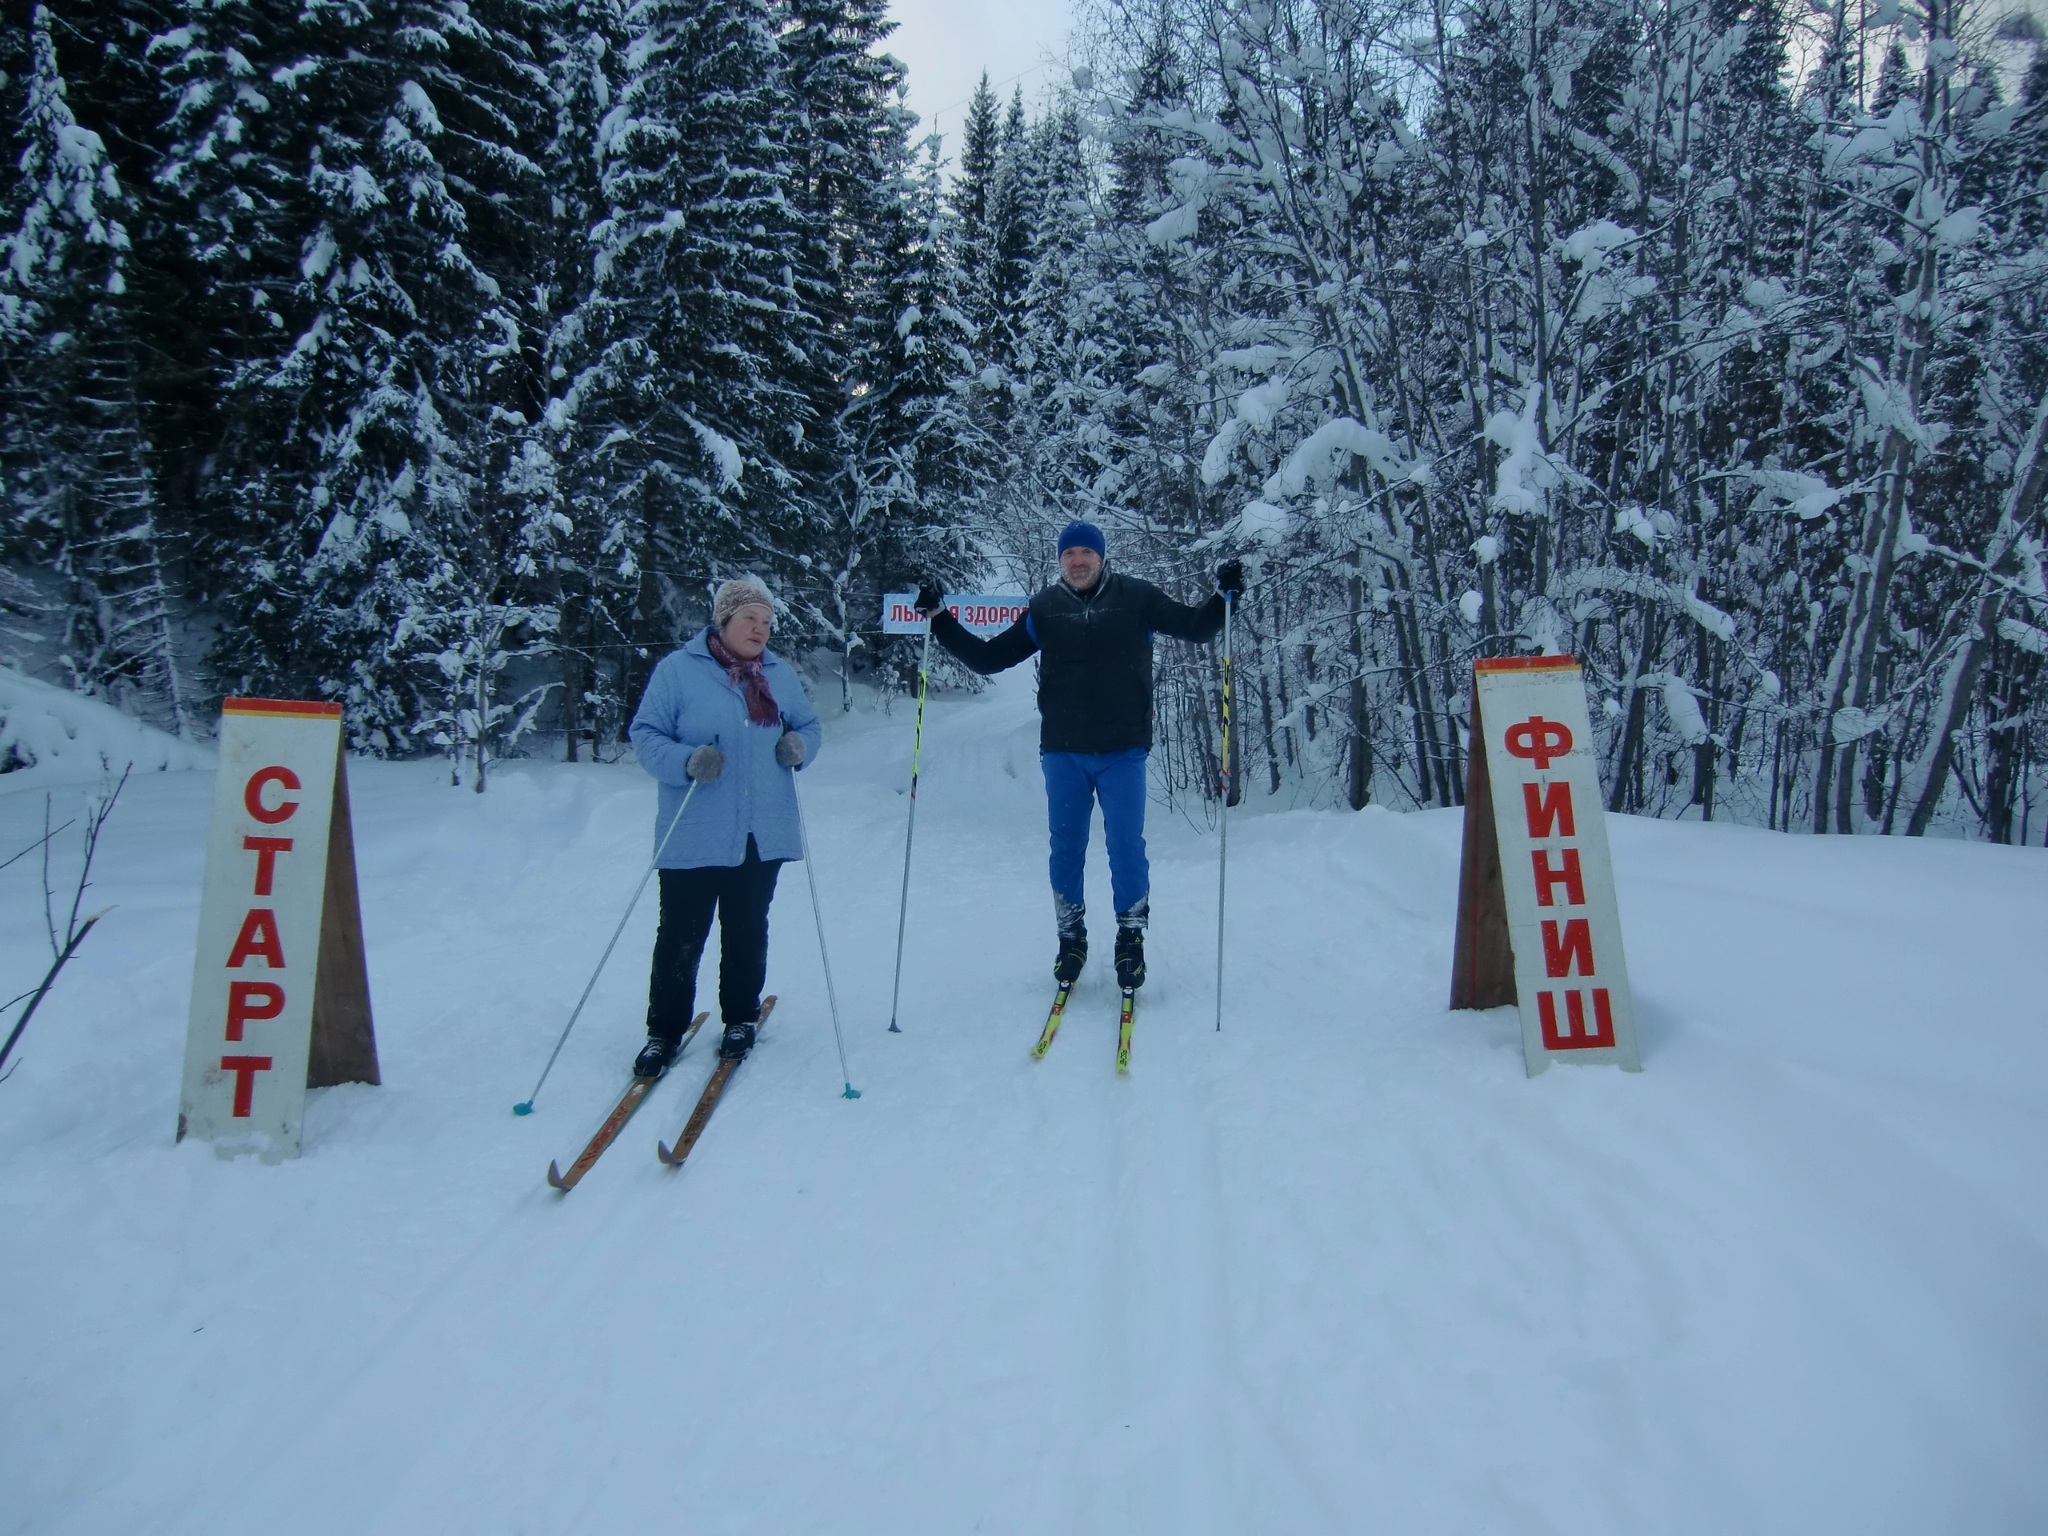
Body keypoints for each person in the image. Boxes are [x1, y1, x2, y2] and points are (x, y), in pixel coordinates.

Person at [917, 521, 1244, 990]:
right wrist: (940, 618)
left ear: (1101, 557)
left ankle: (1130, 939)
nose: (1077, 561)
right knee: (1066, 846)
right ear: (1060, 561)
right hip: (1064, 751)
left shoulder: (1138, 598)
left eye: (1085, 552)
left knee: (1126, 845)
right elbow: (990, 659)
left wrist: (1223, 598)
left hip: (1123, 749)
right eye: (1068, 553)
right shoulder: (1044, 609)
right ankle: (1071, 938)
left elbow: (1196, 628)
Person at [627, 577, 822, 1073]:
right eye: (749, 619)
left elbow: (807, 726)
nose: (760, 629)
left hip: (761, 830)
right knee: (681, 932)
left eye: (766, 621)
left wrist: (799, 748)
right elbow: (645, 733)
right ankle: (664, 1031)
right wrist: (685, 760)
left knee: (746, 927)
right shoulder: (679, 672)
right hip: (696, 828)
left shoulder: (778, 675)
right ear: (723, 621)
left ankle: (740, 1018)